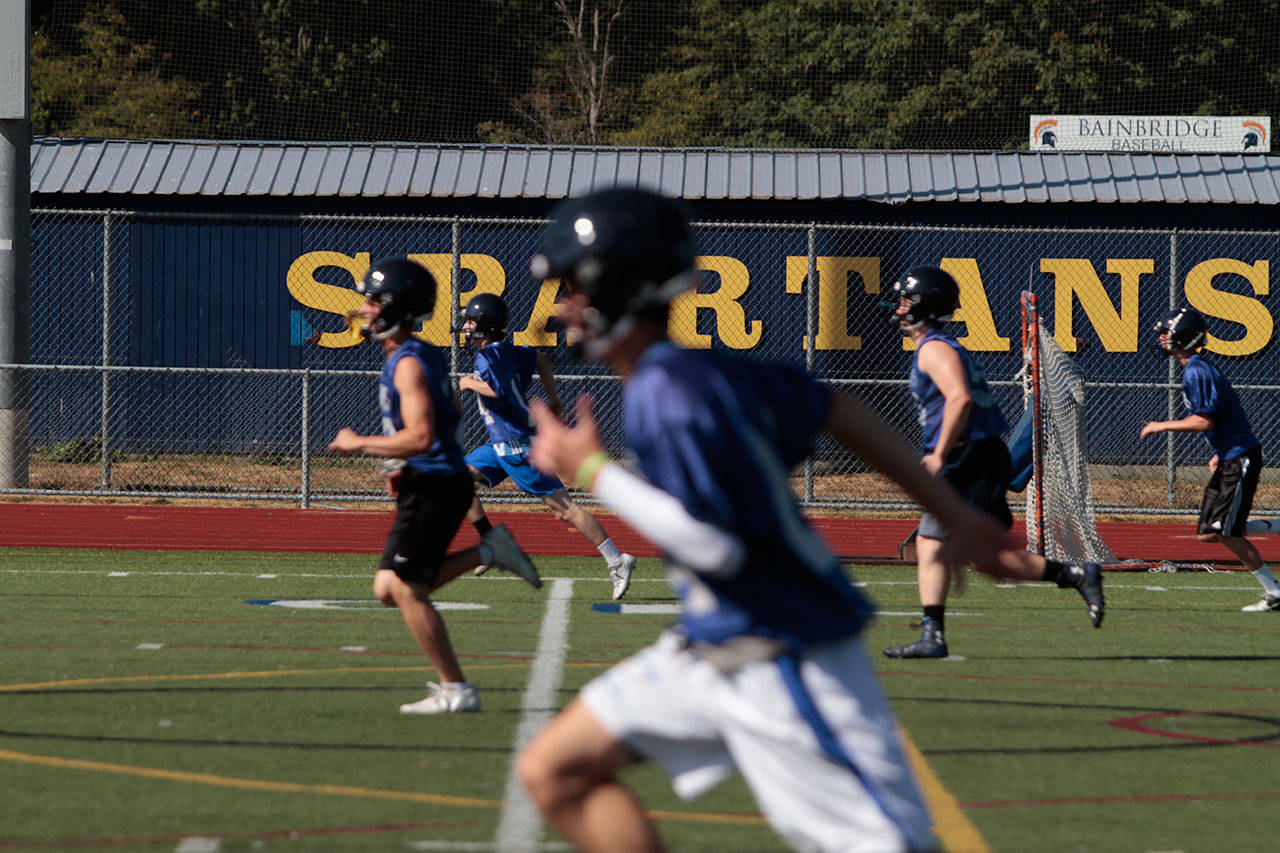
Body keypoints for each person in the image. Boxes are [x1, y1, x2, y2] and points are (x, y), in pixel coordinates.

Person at [514, 188, 1031, 853]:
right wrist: (953, 512)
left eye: (572, 287)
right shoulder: (699, 371)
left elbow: (714, 546)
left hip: (783, 651)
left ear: (620, 287)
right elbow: (836, 407)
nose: (561, 306)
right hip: (714, 643)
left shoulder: (665, 390)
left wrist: (591, 471)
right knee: (555, 770)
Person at [328, 256, 543, 715]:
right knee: (387, 588)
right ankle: (490, 550)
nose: (364, 309)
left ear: (395, 307)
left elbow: (422, 434)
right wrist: (398, 467)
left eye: (372, 300)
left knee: (405, 588)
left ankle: (457, 688)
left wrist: (360, 443)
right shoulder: (417, 354)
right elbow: (452, 416)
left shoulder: (408, 362)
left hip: (437, 484)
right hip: (432, 479)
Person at [880, 266, 1105, 659]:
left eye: (905, 301)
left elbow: (960, 399)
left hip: (969, 457)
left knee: (937, 545)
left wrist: (937, 454)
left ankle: (934, 635)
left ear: (924, 306)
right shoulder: (938, 345)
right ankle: (1072, 574)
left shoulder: (933, 348)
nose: (898, 309)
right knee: (981, 555)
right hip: (976, 455)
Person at [456, 292, 637, 600]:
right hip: (502, 444)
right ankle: (492, 543)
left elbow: (496, 390)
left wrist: (468, 383)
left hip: (517, 447)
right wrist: (553, 398)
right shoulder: (508, 349)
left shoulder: (489, 356)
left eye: (472, 322)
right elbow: (540, 357)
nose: (466, 327)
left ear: (485, 325)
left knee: (565, 509)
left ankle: (617, 559)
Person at [1139, 306, 1280, 612]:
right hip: (1230, 456)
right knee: (1209, 534)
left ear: (1184, 336)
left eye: (1167, 332)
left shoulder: (1197, 370)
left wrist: (1161, 425)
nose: (1162, 338)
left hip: (1239, 457)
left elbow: (1205, 421)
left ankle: (1275, 592)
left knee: (1226, 533)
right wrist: (1218, 452)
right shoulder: (1194, 368)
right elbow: (1223, 416)